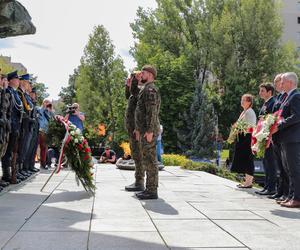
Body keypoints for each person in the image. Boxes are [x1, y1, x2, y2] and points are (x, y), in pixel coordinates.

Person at [273, 72, 300, 208]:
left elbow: (297, 116)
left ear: (290, 82)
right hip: (286, 138)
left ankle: (297, 198)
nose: (280, 84)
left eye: (283, 82)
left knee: (294, 169)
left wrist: (279, 125)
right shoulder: (288, 97)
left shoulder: (296, 96)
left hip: (293, 139)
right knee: (288, 169)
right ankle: (290, 196)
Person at [134, 65, 161, 200]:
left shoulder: (150, 90)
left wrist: (150, 130)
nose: (141, 75)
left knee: (150, 161)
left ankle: (151, 190)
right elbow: (141, 112)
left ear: (150, 75)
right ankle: (149, 189)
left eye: (143, 73)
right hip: (144, 130)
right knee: (147, 159)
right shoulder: (145, 89)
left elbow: (152, 112)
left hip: (149, 131)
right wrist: (138, 129)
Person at [268, 74, 289, 202]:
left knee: (285, 168)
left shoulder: (287, 97)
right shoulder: (280, 97)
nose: (277, 85)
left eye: (278, 82)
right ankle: (280, 191)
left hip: (283, 135)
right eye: (276, 82)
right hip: (276, 135)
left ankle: (285, 193)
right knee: (280, 168)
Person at [1, 71, 24, 184]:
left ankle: (9, 174)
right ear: (10, 80)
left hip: (15, 126)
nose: (18, 81)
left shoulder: (15, 93)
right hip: (9, 126)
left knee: (11, 151)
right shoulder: (8, 92)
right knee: (6, 151)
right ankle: (6, 175)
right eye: (16, 79)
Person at [124, 71, 145, 192]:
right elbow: (128, 95)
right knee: (136, 155)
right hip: (132, 128)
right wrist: (128, 85)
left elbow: (134, 93)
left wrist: (137, 129)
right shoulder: (134, 92)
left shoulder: (140, 91)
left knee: (138, 155)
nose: (130, 81)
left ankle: (139, 182)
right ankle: (138, 181)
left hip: (137, 129)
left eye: (131, 79)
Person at [255, 83, 277, 196]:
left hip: (268, 137)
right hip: (263, 136)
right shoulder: (265, 103)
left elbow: (272, 119)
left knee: (270, 162)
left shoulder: (273, 103)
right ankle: (267, 186)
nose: (260, 93)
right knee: (265, 162)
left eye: (262, 91)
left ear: (269, 92)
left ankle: (272, 188)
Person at [231, 94, 257, 188]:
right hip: (242, 138)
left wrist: (239, 129)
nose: (241, 101)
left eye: (244, 100)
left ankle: (249, 182)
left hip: (247, 138)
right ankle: (246, 181)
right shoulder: (244, 111)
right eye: (241, 99)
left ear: (249, 102)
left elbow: (251, 126)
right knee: (244, 159)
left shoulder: (250, 112)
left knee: (248, 159)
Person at [0, 73, 11, 190]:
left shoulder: (4, 93)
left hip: (3, 127)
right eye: (4, 80)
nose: (5, 82)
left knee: (2, 152)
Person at [38, 98, 54, 169]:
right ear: (43, 102)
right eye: (46, 102)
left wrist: (50, 110)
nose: (47, 104)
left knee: (44, 148)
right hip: (39, 131)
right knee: (33, 148)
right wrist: (44, 107)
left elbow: (53, 120)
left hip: (46, 132)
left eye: (48, 103)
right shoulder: (39, 109)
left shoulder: (49, 112)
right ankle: (28, 166)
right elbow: (39, 112)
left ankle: (43, 164)